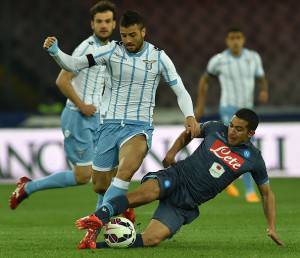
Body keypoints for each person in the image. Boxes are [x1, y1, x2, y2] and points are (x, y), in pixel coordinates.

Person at [43, 10, 198, 248]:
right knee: (100, 185)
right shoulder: (111, 51)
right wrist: (55, 52)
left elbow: (180, 89)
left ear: (143, 32)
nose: (127, 40)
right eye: (124, 35)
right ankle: (119, 211)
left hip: (138, 128)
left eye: (132, 35)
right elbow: (73, 64)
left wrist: (190, 116)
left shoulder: (158, 57)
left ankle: (95, 226)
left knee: (125, 172)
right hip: (109, 126)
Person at [75, 109, 284, 249]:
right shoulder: (215, 128)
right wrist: (172, 153)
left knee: (152, 239)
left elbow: (267, 194)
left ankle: (95, 245)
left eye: (239, 129)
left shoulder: (254, 159)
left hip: (186, 202)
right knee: (145, 193)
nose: (231, 131)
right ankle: (97, 218)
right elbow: (189, 133)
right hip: (176, 177)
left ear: (251, 133)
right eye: (231, 125)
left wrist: (272, 226)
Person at [9, 1, 117, 210]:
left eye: (107, 21)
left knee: (107, 169)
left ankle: (105, 216)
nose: (103, 25)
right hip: (78, 116)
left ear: (114, 24)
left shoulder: (110, 49)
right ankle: (28, 188)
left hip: (98, 117)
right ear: (92, 24)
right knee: (83, 176)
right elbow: (62, 80)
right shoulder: (86, 48)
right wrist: (83, 105)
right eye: (99, 21)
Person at [195, 27, 269, 202]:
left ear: (243, 39)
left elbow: (261, 77)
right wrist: (200, 105)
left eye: (238, 37)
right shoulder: (219, 60)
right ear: (227, 41)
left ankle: (236, 183)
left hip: (249, 110)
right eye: (232, 38)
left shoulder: (253, 57)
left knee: (242, 147)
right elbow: (205, 79)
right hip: (229, 110)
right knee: (238, 146)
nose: (235, 41)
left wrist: (264, 89)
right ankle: (248, 190)